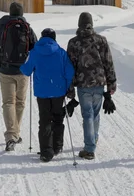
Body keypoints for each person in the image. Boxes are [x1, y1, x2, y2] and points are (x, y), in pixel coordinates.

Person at [0, 2, 38, 152]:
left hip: (5, 69)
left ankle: (11, 135)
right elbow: (34, 47)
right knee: (20, 102)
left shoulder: (3, 26)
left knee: (8, 102)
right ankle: (15, 133)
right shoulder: (27, 27)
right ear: (21, 13)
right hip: (22, 70)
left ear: (10, 13)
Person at [66, 12, 117, 160]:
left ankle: (89, 148)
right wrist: (111, 83)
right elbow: (108, 62)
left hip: (83, 84)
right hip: (99, 83)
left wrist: (70, 90)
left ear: (79, 24)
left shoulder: (74, 43)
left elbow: (70, 68)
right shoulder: (101, 40)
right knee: (95, 113)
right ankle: (93, 139)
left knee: (87, 115)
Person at [20, 28, 74, 162]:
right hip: (58, 91)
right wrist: (66, 87)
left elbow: (26, 71)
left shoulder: (34, 52)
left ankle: (46, 151)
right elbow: (69, 72)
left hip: (42, 93)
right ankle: (57, 146)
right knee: (57, 117)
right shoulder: (61, 52)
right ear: (54, 38)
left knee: (44, 120)